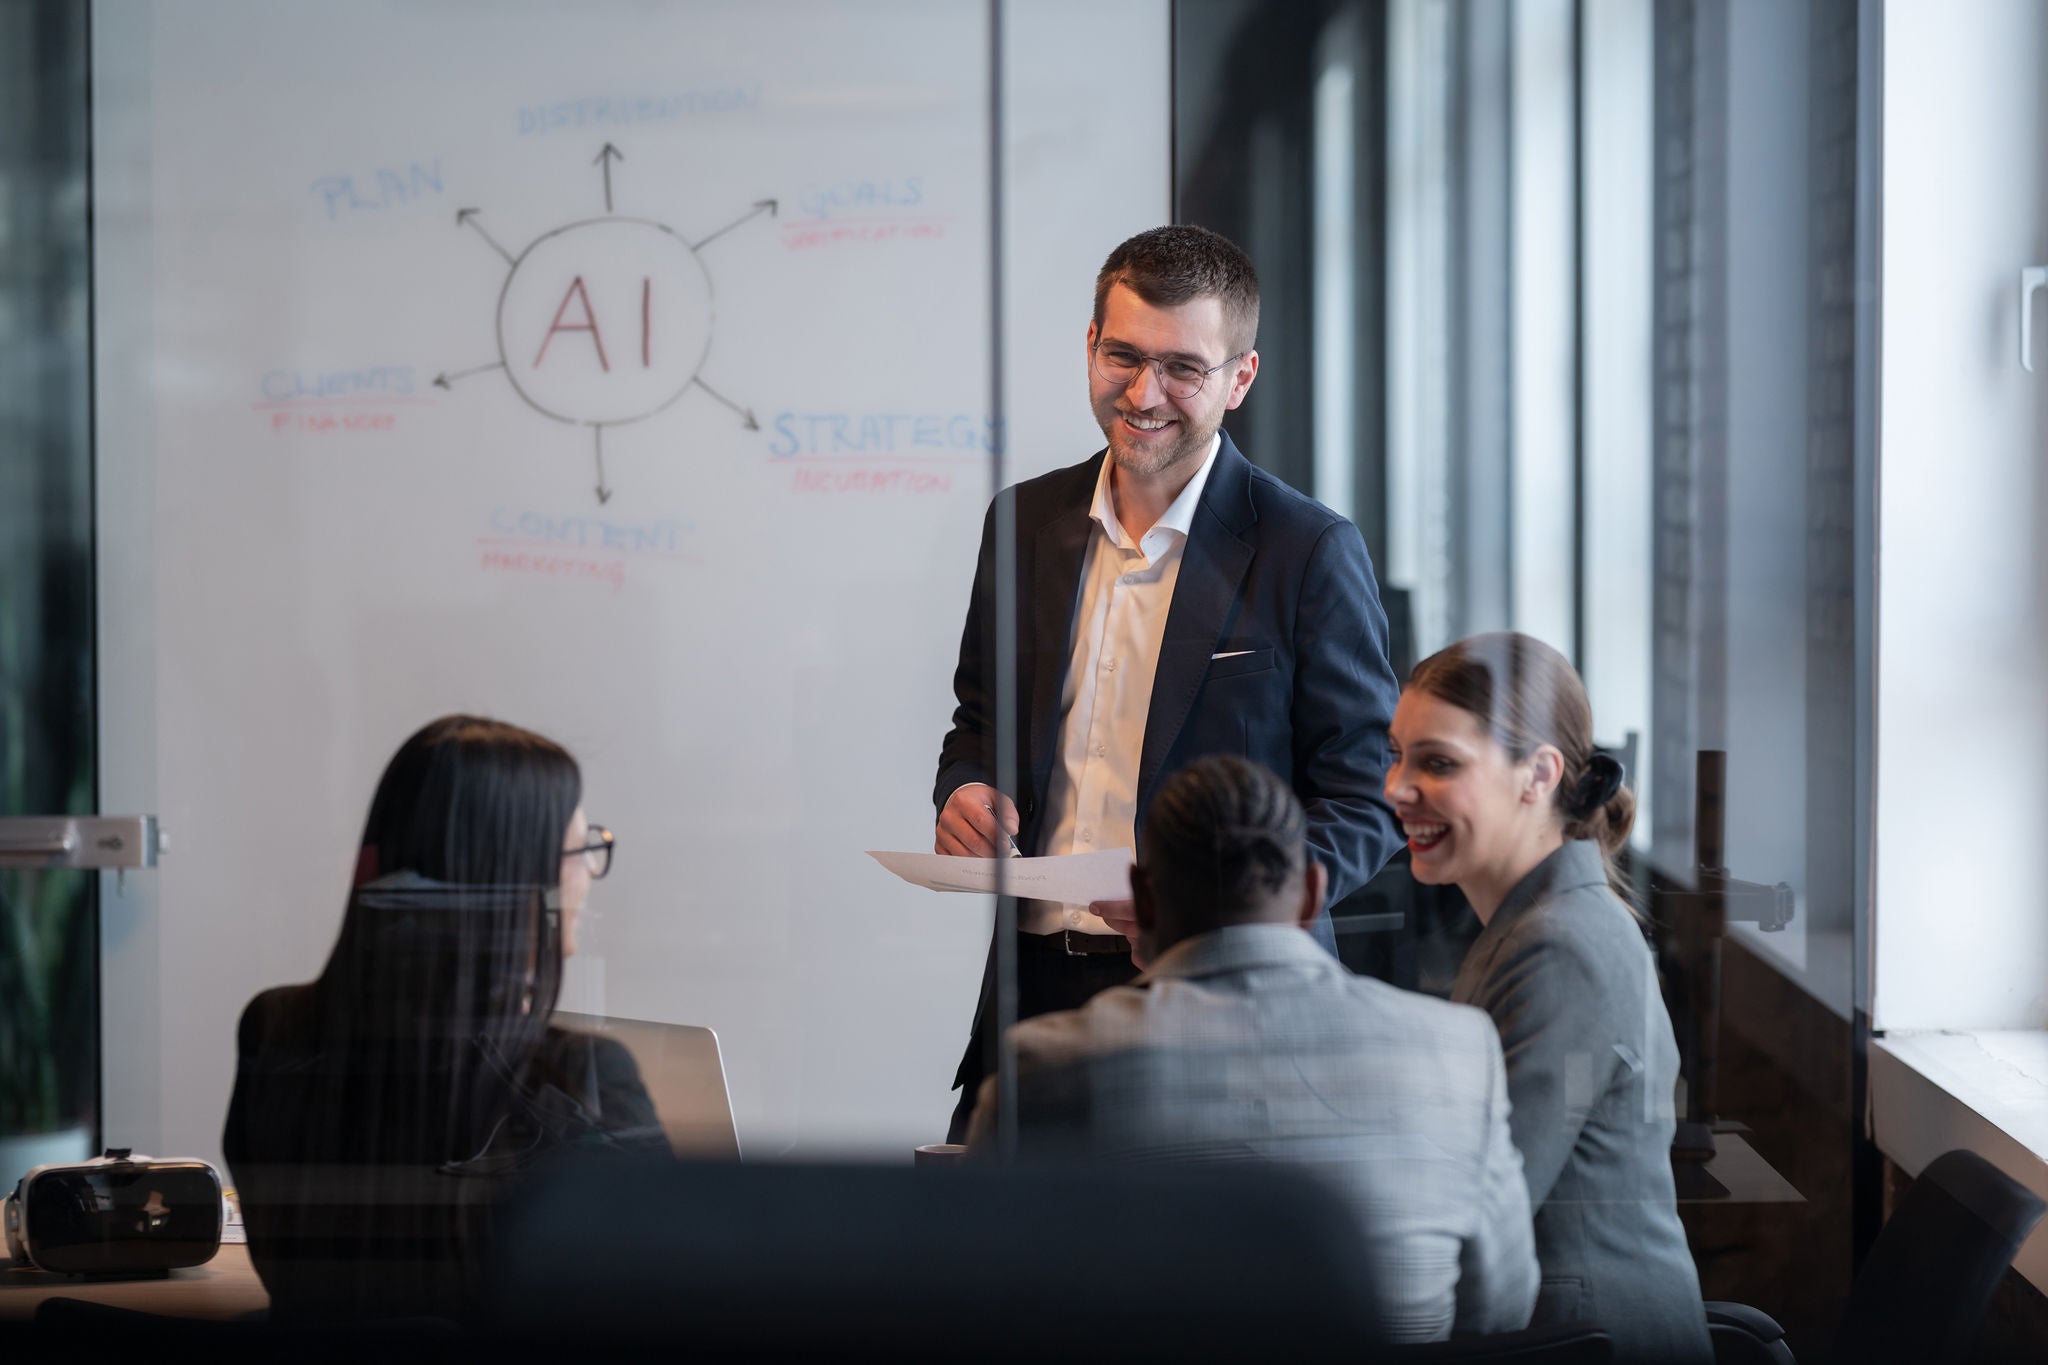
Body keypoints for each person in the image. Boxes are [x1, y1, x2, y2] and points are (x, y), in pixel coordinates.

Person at [934, 224, 1403, 1139]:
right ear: (1090, 348)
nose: (1144, 394)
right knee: (999, 1277)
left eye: (1184, 367)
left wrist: (1240, 903)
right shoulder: (1024, 521)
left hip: (1227, 1001)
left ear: (1241, 377)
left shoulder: (1308, 549)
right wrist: (964, 788)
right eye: (1123, 356)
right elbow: (980, 715)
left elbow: (1368, 796)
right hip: (1035, 990)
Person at [964, 756, 1537, 1343]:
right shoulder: (1458, 1050)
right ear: (1314, 892)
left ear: (1143, 896)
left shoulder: (1047, 1068)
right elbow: (1501, 1312)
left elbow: (984, 1301)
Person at [222, 715, 665, 1323]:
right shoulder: (579, 1078)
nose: (589, 873)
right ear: (513, 874)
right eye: (580, 850)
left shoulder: (275, 1031)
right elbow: (659, 1302)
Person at [1386, 633, 1711, 1362]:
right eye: (1396, 753)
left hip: (1582, 1339)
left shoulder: (1558, 944)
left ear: (1538, 774)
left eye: (1437, 762)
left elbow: (1478, 1214)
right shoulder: (1535, 923)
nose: (1396, 787)